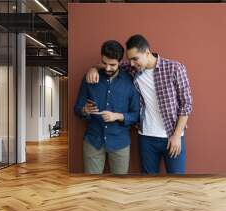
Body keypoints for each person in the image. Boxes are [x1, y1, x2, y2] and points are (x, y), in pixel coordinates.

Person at [86, 34, 193, 174]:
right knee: (147, 184)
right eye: (130, 59)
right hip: (146, 137)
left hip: (172, 135)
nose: (131, 63)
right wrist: (93, 69)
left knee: (177, 181)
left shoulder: (175, 68)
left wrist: (177, 135)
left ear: (147, 53)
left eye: (135, 59)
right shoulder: (133, 68)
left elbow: (187, 104)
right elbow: (109, 65)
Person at [74, 40, 140, 174]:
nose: (107, 68)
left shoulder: (130, 82)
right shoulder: (89, 78)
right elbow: (77, 109)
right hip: (93, 141)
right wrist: (84, 110)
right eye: (104, 63)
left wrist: (117, 116)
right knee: (92, 185)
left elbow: (136, 114)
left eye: (112, 65)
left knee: (119, 187)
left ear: (120, 62)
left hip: (120, 142)